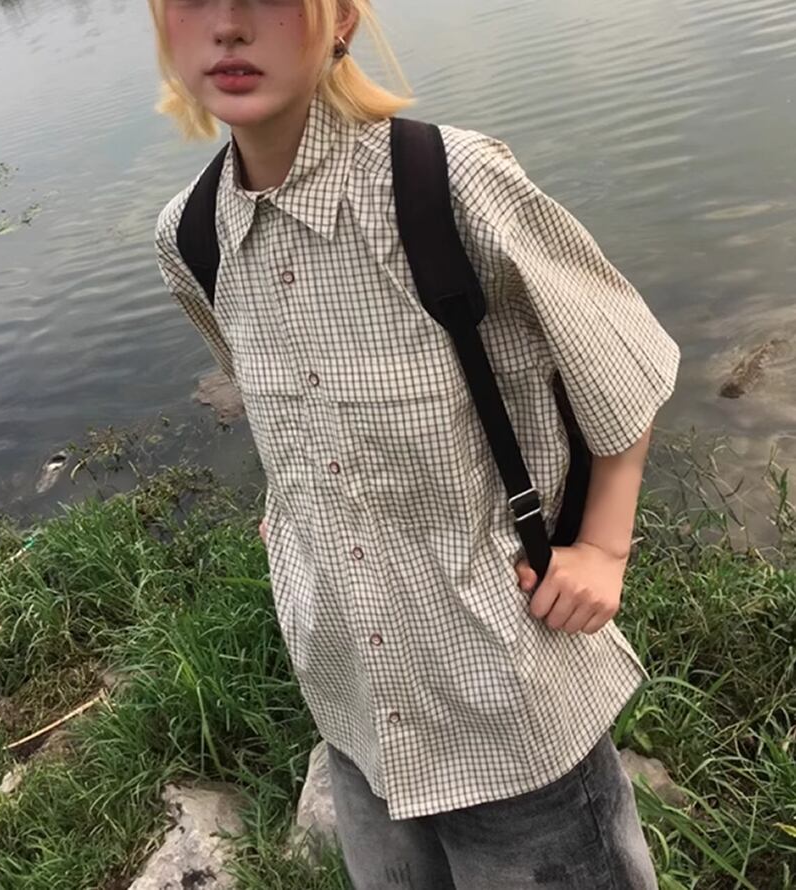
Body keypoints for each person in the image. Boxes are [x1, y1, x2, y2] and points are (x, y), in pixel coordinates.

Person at [149, 1, 680, 887]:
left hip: (509, 702)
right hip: (352, 700)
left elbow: (620, 356)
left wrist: (602, 547)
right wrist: (289, 503)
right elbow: (276, 396)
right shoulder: (190, 236)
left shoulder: (448, 182)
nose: (230, 26)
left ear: (341, 21)